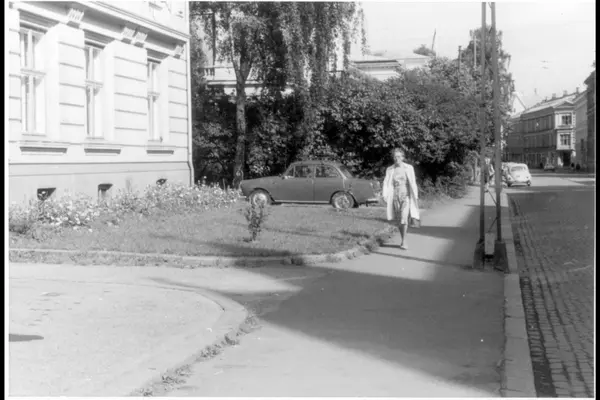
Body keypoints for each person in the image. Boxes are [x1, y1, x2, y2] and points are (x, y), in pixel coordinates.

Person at [382, 148, 420, 250]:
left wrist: (415, 196)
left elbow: (413, 182)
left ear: (403, 157)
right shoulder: (390, 169)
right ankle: (403, 238)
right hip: (395, 196)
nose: (396, 159)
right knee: (399, 220)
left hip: (406, 196)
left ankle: (404, 241)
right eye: (395, 157)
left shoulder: (409, 168)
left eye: (399, 156)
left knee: (404, 218)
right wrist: (385, 195)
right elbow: (386, 183)